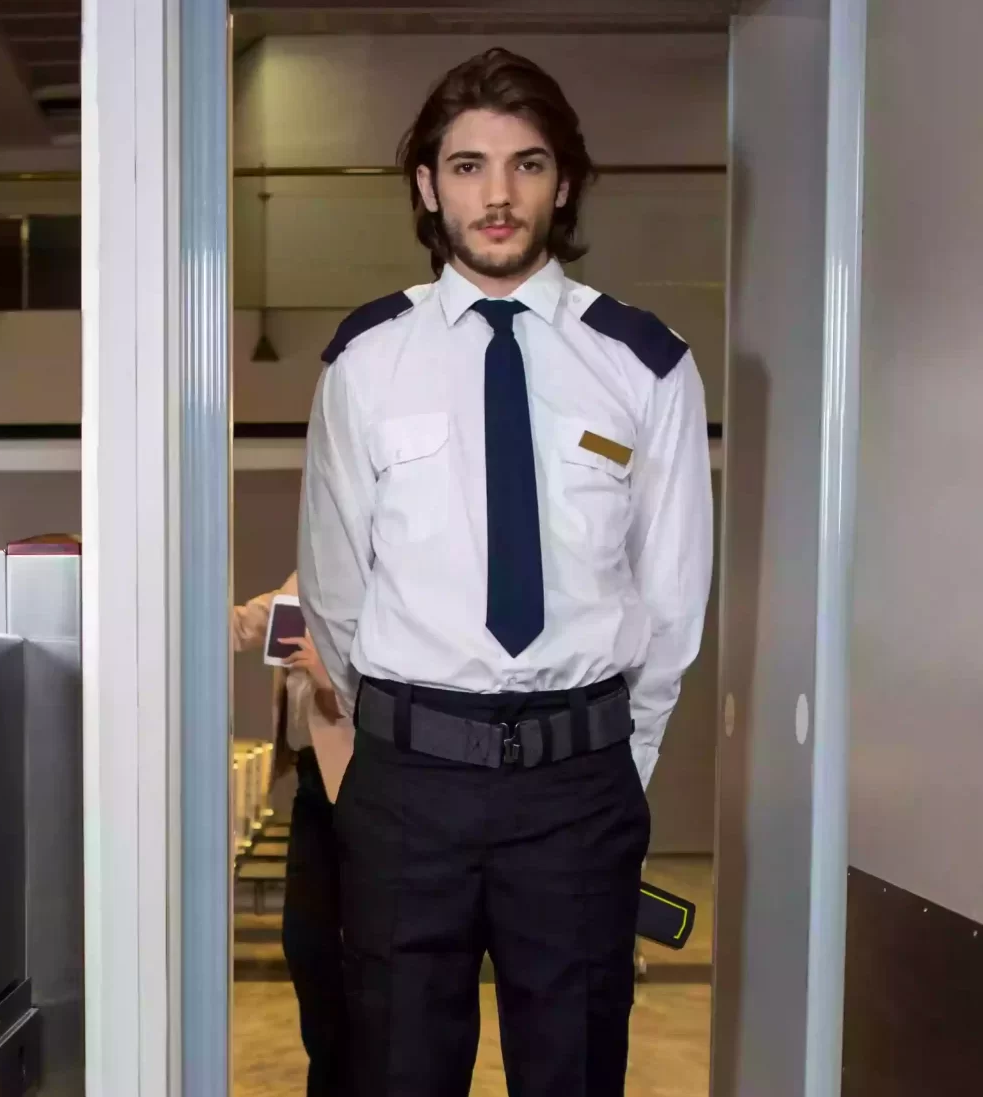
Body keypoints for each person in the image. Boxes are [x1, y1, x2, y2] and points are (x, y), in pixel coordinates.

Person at [297, 49, 712, 1097]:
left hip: (579, 785)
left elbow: (670, 599)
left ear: (562, 183)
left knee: (573, 1069)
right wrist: (383, 760)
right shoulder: (365, 360)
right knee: (393, 1069)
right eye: (469, 165)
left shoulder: (645, 361)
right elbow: (334, 588)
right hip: (408, 790)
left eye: (526, 165)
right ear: (428, 187)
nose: (497, 193)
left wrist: (619, 759)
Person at [232, 573, 354, 1097]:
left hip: (362, 785)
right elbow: (239, 626)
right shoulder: (302, 582)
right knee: (305, 942)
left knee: (362, 950)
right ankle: (328, 1074)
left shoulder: (374, 587)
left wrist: (329, 679)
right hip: (311, 783)